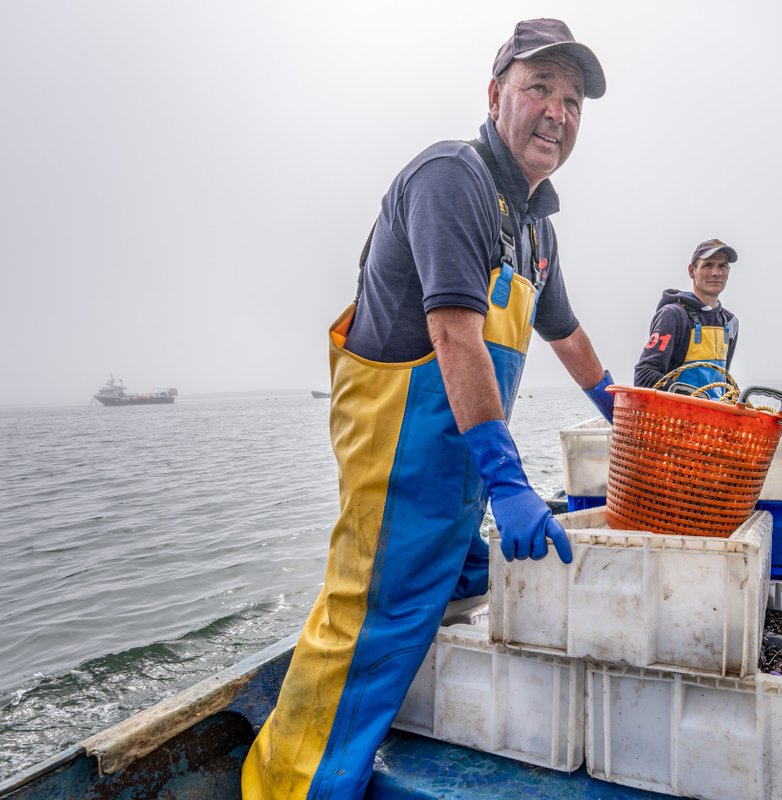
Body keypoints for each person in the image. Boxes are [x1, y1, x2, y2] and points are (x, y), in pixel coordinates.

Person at [242, 19, 614, 799]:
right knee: (364, 625)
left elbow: (566, 333)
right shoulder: (453, 178)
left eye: (574, 100)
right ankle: (286, 786)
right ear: (495, 94)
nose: (558, 111)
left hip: (461, 466)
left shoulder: (537, 229)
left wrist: (625, 411)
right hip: (401, 454)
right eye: (539, 88)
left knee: (467, 586)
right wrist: (509, 481)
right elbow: (454, 335)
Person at [634, 239, 740, 399]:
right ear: (691, 271)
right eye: (708, 265)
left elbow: (724, 382)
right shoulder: (673, 315)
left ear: (728, 271)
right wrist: (694, 397)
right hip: (674, 413)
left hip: (711, 413)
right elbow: (643, 376)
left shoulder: (730, 322)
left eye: (722, 266)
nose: (716, 272)